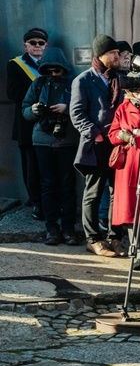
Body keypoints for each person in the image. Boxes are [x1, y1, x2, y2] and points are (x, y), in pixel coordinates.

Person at [70, 34, 125, 258]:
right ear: (100, 56)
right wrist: (96, 134)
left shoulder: (120, 79)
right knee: (93, 193)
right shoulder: (83, 80)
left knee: (116, 194)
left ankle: (115, 237)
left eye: (117, 53)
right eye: (112, 53)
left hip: (118, 144)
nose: (116, 56)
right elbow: (76, 113)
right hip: (97, 144)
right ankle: (93, 239)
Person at [21, 46, 79, 245]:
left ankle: (68, 228)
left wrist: (67, 109)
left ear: (64, 68)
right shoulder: (38, 84)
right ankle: (51, 229)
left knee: (67, 185)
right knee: (47, 185)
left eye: (57, 70)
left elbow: (84, 108)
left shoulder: (74, 84)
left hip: (67, 140)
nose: (54, 74)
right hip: (43, 140)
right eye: (49, 71)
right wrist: (35, 110)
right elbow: (25, 111)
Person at [108, 88, 140, 269]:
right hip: (130, 164)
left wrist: (134, 134)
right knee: (131, 209)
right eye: (137, 90)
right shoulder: (123, 108)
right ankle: (139, 252)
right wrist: (128, 134)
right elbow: (113, 134)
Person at [7, 27, 48, 220]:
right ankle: (35, 201)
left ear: (46, 45)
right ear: (25, 45)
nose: (37, 46)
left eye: (41, 43)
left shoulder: (50, 64)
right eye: (33, 43)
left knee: (46, 165)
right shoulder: (16, 65)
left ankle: (47, 201)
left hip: (47, 122)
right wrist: (35, 99)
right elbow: (12, 93)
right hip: (26, 123)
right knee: (31, 165)